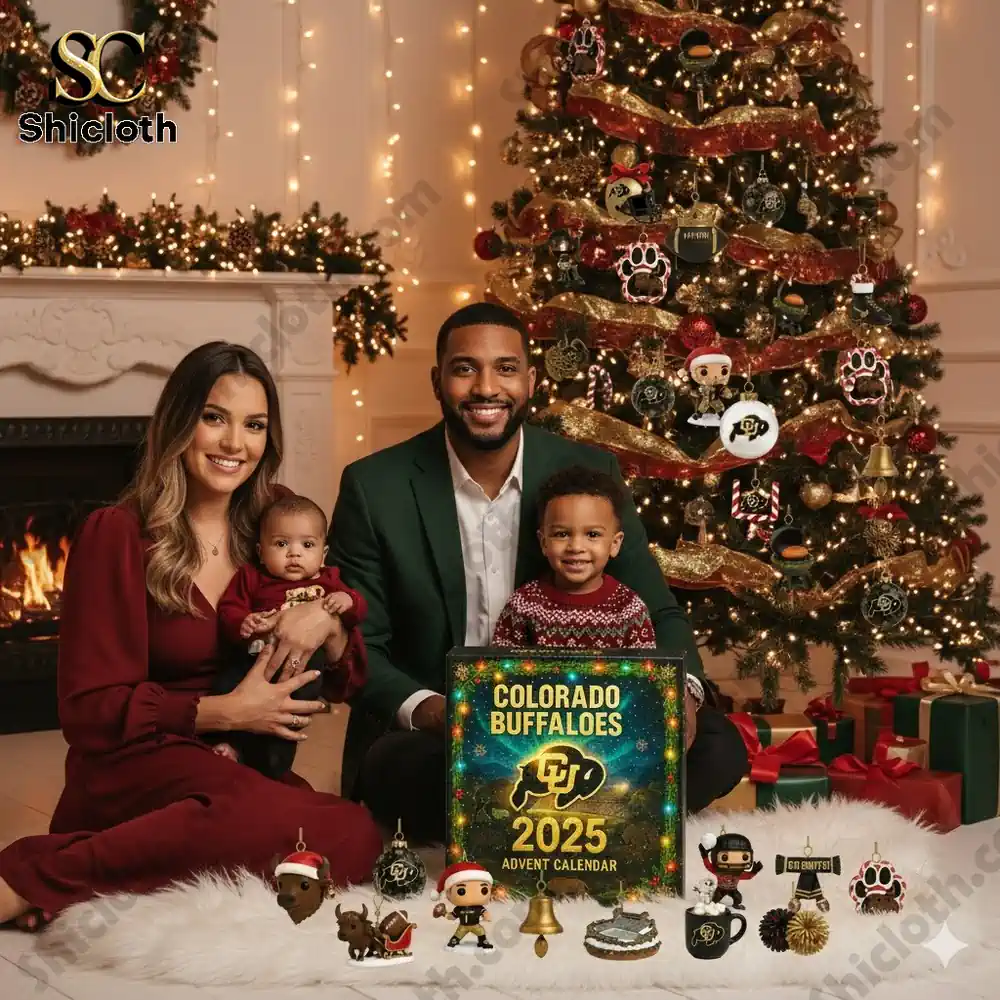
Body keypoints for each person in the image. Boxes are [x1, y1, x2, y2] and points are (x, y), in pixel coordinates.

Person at [331, 301, 748, 843]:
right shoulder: (375, 486)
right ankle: (597, 816)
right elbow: (362, 643)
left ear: (529, 380)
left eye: (505, 368)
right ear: (438, 380)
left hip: (592, 725)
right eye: (465, 369)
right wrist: (438, 713)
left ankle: (520, 823)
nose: (486, 388)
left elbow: (659, 609)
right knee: (395, 768)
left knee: (718, 746)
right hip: (450, 732)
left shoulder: (591, 472)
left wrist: (684, 696)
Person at [0, 342, 381, 931]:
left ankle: (82, 869)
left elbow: (347, 675)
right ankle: (28, 880)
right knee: (284, 826)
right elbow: (87, 712)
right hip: (138, 763)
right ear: (179, 422)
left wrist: (327, 625)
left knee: (354, 835)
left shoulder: (278, 523)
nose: (235, 444)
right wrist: (224, 712)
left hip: (243, 769)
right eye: (214, 418)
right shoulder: (118, 534)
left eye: (254, 425)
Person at [208, 492, 366, 777]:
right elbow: (230, 608)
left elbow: (357, 610)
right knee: (224, 686)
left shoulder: (327, 581)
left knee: (285, 723)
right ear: (260, 552)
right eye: (281, 544)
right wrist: (242, 622)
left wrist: (348, 601)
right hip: (251, 662)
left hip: (300, 671)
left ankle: (272, 768)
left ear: (323, 554)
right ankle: (227, 746)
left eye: (307, 545)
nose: (294, 553)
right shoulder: (252, 577)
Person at [491, 465, 655, 648]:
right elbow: (501, 667)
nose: (576, 547)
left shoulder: (628, 609)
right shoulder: (524, 604)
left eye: (592, 535)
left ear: (614, 544)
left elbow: (645, 672)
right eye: (562, 534)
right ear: (544, 542)